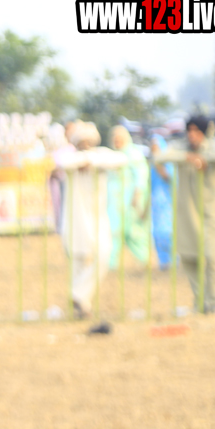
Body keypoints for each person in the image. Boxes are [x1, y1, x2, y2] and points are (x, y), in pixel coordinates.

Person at [152, 114, 215, 315]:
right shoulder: (181, 148)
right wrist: (187, 158)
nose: (192, 135)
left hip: (212, 213)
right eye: (189, 130)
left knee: (213, 258)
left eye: (197, 131)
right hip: (188, 213)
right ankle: (201, 302)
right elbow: (159, 157)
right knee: (189, 257)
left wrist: (205, 158)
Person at [55, 122, 128, 318]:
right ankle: (82, 307)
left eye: (89, 140)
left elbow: (121, 159)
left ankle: (77, 294)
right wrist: (83, 161)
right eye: (82, 140)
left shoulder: (100, 156)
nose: (86, 144)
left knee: (104, 253)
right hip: (75, 218)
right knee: (78, 260)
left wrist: (90, 161)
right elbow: (63, 163)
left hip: (97, 217)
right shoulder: (71, 158)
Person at [108, 125, 151, 267]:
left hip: (131, 200)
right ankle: (111, 264)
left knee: (134, 233)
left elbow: (141, 176)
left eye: (120, 138)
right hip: (114, 203)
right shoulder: (113, 155)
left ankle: (143, 262)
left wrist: (137, 195)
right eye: (115, 139)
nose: (117, 141)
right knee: (114, 231)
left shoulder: (134, 154)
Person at [149, 133, 176, 270]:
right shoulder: (151, 165)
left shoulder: (168, 162)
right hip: (156, 204)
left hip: (168, 203)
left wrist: (159, 164)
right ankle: (163, 262)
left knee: (167, 232)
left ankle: (174, 261)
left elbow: (170, 178)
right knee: (156, 233)